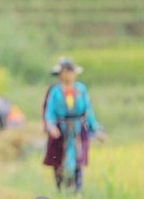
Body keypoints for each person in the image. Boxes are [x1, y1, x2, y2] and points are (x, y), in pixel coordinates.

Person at [42, 57, 106, 191]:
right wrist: (51, 126)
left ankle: (77, 189)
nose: (69, 75)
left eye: (71, 72)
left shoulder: (81, 89)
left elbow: (88, 110)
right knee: (58, 157)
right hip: (61, 127)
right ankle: (60, 188)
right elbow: (49, 111)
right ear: (61, 73)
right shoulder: (54, 91)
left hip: (78, 127)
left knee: (78, 158)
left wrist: (95, 130)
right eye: (66, 72)